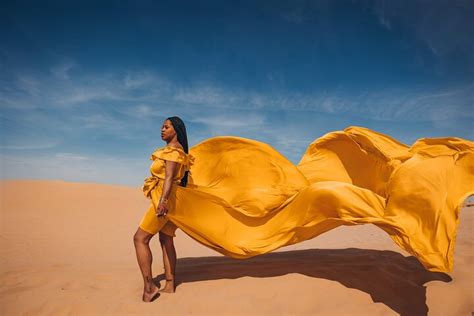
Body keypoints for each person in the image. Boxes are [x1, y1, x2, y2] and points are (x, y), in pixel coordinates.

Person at [133, 116, 194, 302]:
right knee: (166, 240)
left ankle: (149, 286)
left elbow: (168, 177)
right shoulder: (178, 150)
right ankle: (170, 283)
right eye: (162, 127)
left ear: (175, 130)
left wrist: (163, 201)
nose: (162, 129)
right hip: (171, 200)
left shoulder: (173, 151)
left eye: (166, 127)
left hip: (164, 201)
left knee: (139, 239)